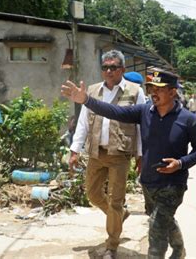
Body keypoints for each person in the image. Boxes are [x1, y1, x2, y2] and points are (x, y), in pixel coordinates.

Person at [62, 69, 196, 259]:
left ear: (173, 92)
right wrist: (87, 100)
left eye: (159, 89)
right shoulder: (144, 112)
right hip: (148, 181)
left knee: (156, 228)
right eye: (151, 88)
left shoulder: (188, 119)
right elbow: (115, 111)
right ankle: (179, 250)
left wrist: (180, 163)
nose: (154, 92)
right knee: (162, 219)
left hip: (173, 184)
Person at [68, 50, 146, 259]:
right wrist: (75, 150)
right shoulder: (92, 91)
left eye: (113, 67)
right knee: (92, 194)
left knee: (115, 200)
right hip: (96, 152)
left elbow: (142, 125)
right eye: (105, 67)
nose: (109, 71)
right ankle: (120, 215)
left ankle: (112, 245)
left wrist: (141, 154)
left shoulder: (135, 91)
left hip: (120, 154)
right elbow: (83, 122)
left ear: (122, 69)